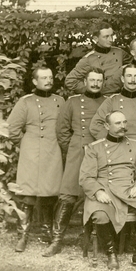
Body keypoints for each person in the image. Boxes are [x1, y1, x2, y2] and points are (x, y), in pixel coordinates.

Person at [79, 110, 136, 269]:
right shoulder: (95, 148)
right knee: (101, 216)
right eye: (118, 123)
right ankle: (111, 254)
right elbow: (86, 177)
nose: (123, 126)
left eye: (124, 122)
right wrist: (97, 192)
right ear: (106, 126)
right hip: (105, 189)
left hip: (129, 188)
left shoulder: (135, 145)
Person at [47, 69, 105, 257]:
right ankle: (56, 240)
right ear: (85, 82)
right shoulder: (72, 102)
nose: (96, 84)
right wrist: (73, 148)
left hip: (100, 152)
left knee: (93, 195)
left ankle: (86, 239)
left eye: (99, 81)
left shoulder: (108, 103)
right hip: (76, 151)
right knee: (68, 195)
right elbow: (62, 131)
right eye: (92, 80)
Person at [7, 65, 65, 252]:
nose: (48, 81)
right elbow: (12, 129)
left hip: (52, 151)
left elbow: (65, 127)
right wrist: (25, 144)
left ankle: (48, 232)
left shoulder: (59, 101)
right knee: (27, 195)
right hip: (30, 152)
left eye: (50, 77)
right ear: (34, 81)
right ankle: (23, 235)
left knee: (50, 194)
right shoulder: (25, 102)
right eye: (43, 78)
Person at [89, 64, 136, 153]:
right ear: (122, 79)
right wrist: (112, 142)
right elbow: (95, 125)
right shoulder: (112, 101)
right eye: (129, 76)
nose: (133, 80)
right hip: (115, 151)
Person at [65, 22, 125, 95]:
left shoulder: (119, 52)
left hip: (120, 98)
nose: (111, 40)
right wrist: (93, 90)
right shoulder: (88, 59)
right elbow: (70, 81)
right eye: (106, 37)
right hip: (101, 99)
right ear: (96, 39)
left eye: (111, 35)